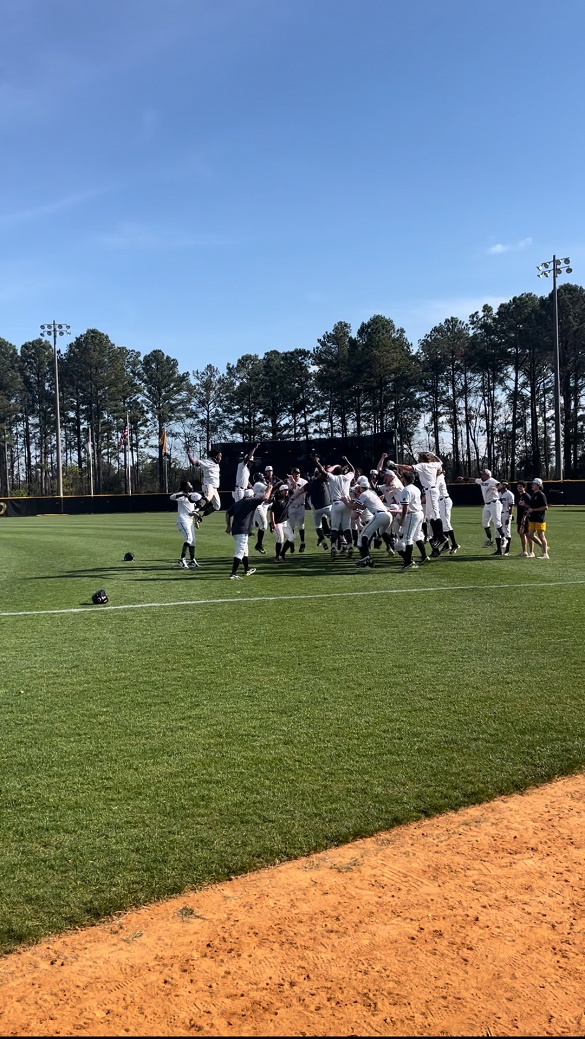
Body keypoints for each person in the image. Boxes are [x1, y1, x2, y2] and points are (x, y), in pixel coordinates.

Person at [224, 482, 271, 579]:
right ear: (251, 496)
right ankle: (233, 573)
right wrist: (270, 488)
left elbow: (228, 513)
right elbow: (266, 498)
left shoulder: (238, 503)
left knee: (245, 550)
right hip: (242, 531)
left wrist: (228, 526)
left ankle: (247, 569)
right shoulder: (250, 501)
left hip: (236, 531)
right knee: (240, 552)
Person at [345, 476, 393, 569]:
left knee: (364, 536)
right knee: (381, 533)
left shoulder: (364, 494)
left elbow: (354, 507)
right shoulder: (372, 493)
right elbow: (362, 507)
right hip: (388, 515)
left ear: (361, 488)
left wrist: (346, 502)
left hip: (379, 515)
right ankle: (396, 548)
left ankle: (366, 557)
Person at [314, 454, 355, 558]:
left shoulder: (333, 478)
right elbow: (353, 470)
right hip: (346, 503)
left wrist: (317, 462)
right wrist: (347, 461)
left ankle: (333, 547)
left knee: (335, 527)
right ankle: (350, 546)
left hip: (336, 504)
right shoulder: (347, 477)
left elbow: (323, 471)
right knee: (346, 527)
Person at [291, 468, 331, 549]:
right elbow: (328, 472)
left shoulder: (308, 484)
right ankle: (338, 539)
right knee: (335, 524)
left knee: (318, 526)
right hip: (327, 506)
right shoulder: (323, 480)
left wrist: (291, 499)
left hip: (316, 508)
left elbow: (299, 492)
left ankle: (323, 539)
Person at [397, 470, 428, 571]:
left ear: (404, 479)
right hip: (419, 513)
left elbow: (405, 507)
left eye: (402, 477)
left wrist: (402, 519)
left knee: (408, 538)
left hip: (413, 514)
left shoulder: (406, 490)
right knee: (417, 536)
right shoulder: (416, 488)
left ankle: (408, 561)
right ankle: (424, 556)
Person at [169, 481, 204, 569]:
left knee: (193, 541)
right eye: (189, 484)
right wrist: (183, 495)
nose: (191, 485)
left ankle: (192, 560)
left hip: (190, 521)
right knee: (189, 539)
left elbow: (198, 501)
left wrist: (197, 515)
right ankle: (182, 559)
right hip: (183, 520)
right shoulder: (181, 494)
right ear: (185, 486)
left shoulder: (193, 495)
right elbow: (171, 497)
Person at [187, 446, 222, 518]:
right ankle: (195, 510)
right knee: (208, 497)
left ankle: (201, 516)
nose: (221, 458)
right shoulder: (207, 461)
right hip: (209, 485)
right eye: (220, 456)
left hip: (214, 488)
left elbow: (206, 472)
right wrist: (189, 454)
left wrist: (203, 476)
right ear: (216, 456)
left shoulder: (216, 464)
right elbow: (194, 462)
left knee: (217, 506)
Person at [474, 468, 503, 550]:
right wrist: (463, 479)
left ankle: (504, 538)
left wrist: (497, 488)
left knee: (497, 522)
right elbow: (474, 480)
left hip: (494, 503)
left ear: (487, 475)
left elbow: (500, 485)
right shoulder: (481, 481)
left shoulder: (492, 480)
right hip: (487, 505)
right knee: (485, 523)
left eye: (482, 474)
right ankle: (489, 540)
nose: (481, 475)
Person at [437, 467, 460, 554]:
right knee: (443, 524)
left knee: (446, 523)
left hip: (444, 501)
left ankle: (454, 544)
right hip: (440, 501)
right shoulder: (439, 476)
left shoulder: (439, 477)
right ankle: (446, 545)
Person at [269, 483, 294, 561]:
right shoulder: (276, 500)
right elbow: (271, 511)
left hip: (285, 521)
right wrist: (273, 523)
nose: (286, 492)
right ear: (280, 491)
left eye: (287, 490)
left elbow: (294, 488)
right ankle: (277, 557)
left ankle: (282, 553)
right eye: (284, 491)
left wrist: (291, 480)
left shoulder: (287, 497)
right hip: (278, 523)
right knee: (281, 539)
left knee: (291, 537)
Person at [525, 478, 549, 558]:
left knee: (541, 535)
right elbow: (532, 507)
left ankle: (545, 554)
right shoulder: (534, 494)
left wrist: (533, 510)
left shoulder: (541, 495)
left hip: (539, 518)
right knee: (529, 535)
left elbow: (545, 507)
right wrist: (524, 505)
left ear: (538, 485)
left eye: (534, 484)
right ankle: (542, 547)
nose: (532, 485)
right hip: (533, 518)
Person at [286, 467, 308, 552]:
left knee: (301, 526)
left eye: (298, 473)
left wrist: (293, 482)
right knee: (291, 527)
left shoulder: (304, 482)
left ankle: (302, 543)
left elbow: (298, 491)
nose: (297, 475)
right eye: (295, 473)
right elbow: (289, 493)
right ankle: (291, 543)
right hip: (291, 506)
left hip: (300, 506)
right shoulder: (287, 482)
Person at [498, 481, 515, 556]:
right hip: (499, 513)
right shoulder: (498, 493)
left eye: (502, 484)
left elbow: (511, 505)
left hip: (506, 513)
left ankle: (507, 551)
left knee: (507, 531)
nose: (501, 485)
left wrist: (510, 516)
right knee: (499, 531)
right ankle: (499, 550)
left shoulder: (509, 494)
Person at [515, 482, 532, 556]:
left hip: (526, 517)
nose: (519, 488)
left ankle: (531, 552)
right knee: (521, 534)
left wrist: (525, 515)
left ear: (524, 487)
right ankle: (524, 551)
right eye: (518, 486)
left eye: (521, 486)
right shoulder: (519, 496)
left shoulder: (526, 496)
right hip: (520, 517)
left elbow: (531, 506)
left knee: (529, 535)